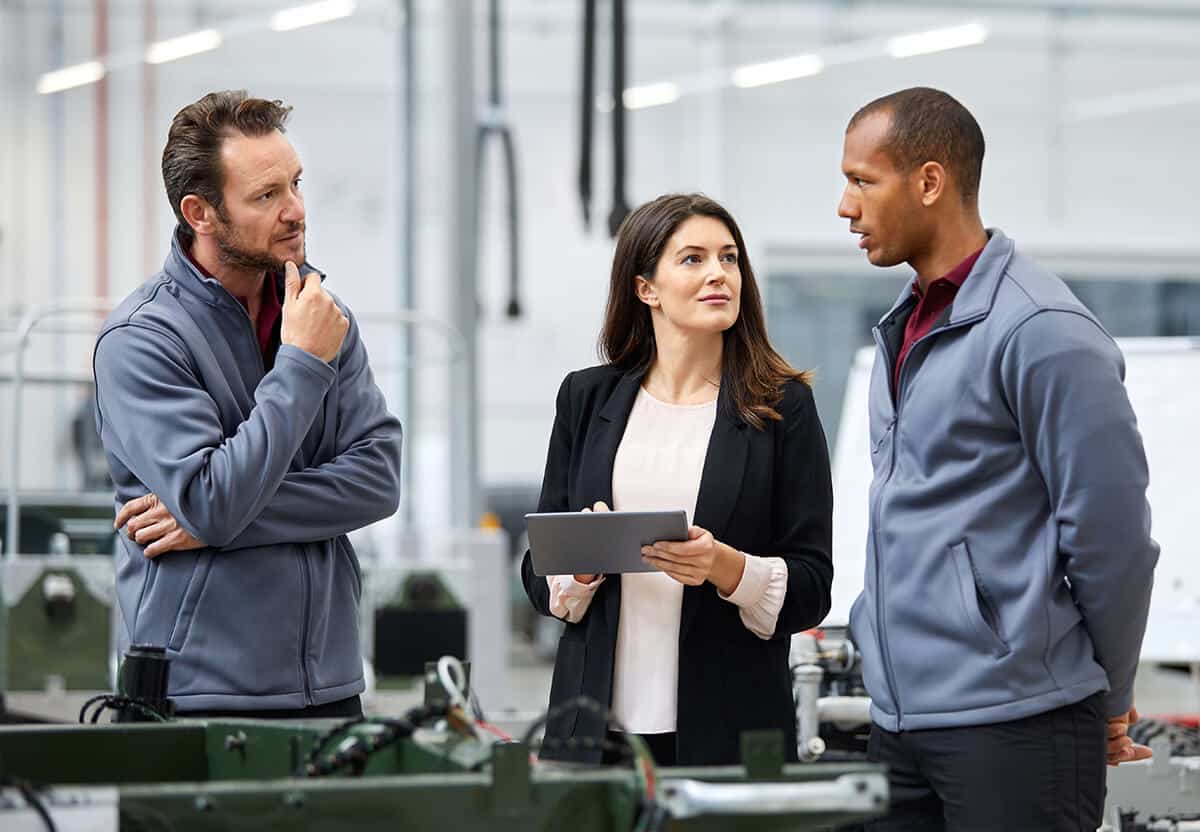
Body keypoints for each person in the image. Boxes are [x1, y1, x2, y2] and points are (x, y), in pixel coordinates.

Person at [837, 86, 1159, 829]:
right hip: (902, 721)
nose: (845, 207)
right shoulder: (908, 323)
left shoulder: (1041, 330)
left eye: (862, 181)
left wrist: (1110, 695)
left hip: (1018, 724)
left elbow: (1111, 539)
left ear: (928, 182)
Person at [92, 90, 402, 718]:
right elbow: (211, 497)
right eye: (266, 196)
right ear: (200, 212)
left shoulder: (317, 311)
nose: (295, 211)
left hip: (332, 684)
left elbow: (378, 482)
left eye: (295, 183)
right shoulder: (142, 340)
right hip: (198, 691)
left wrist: (209, 524)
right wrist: (303, 365)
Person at [520, 193, 833, 766]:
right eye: (693, 259)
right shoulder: (586, 399)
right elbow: (539, 576)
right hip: (594, 735)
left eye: (730, 258)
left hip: (731, 732)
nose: (719, 274)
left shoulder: (783, 408)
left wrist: (725, 568)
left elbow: (813, 586)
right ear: (647, 289)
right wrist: (582, 566)